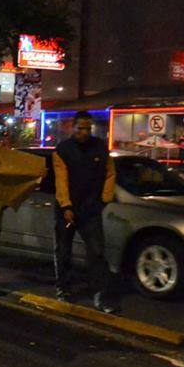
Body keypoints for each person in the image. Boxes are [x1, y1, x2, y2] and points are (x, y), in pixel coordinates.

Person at [53, 110, 118, 314]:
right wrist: (66, 206)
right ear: (72, 127)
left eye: (87, 128)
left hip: (91, 209)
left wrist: (104, 199)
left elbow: (110, 174)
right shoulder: (63, 150)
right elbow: (61, 180)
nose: (84, 132)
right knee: (63, 251)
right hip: (67, 210)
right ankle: (63, 288)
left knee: (97, 253)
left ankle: (101, 295)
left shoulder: (99, 148)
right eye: (80, 128)